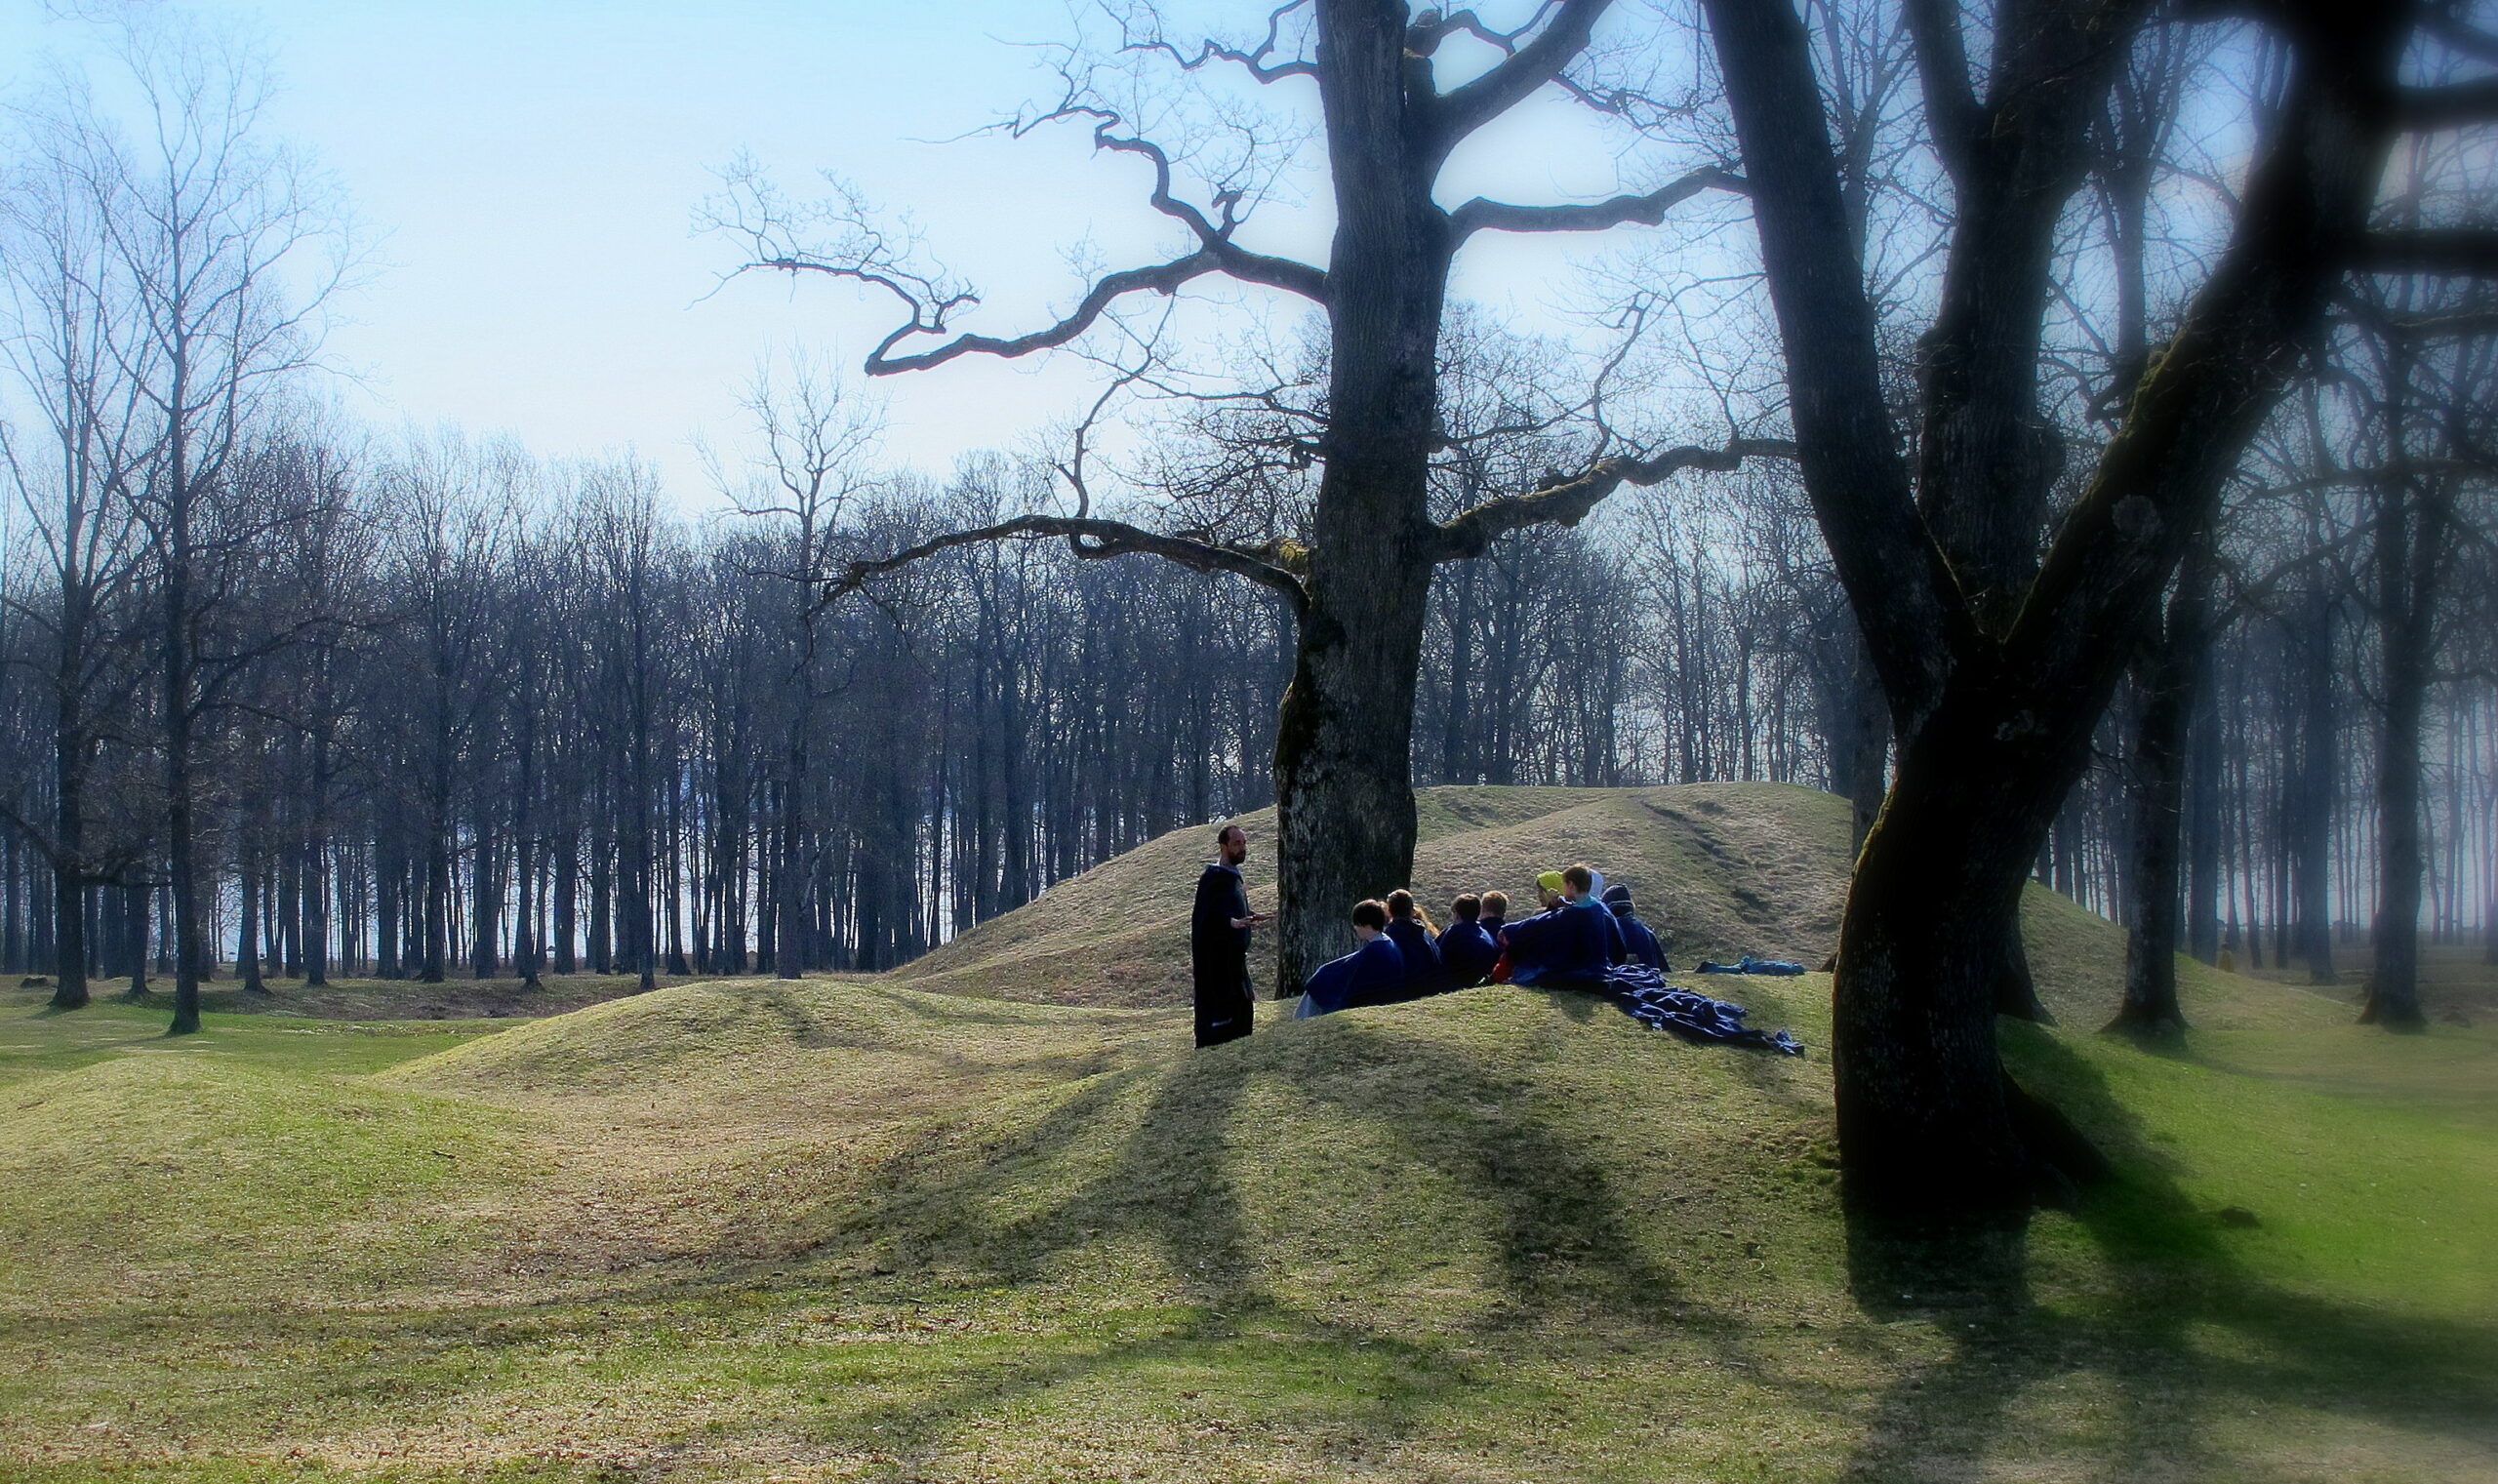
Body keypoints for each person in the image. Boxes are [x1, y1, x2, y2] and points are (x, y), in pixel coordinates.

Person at [1189, 823, 1268, 1047]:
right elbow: (1206, 916)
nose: (1243, 848)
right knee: (1221, 1017)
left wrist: (1250, 915)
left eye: (1244, 843)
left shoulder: (1234, 876)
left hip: (1235, 963)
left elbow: (1230, 908)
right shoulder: (1213, 878)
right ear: (1223, 846)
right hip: (1217, 966)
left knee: (1242, 1011)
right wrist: (1229, 922)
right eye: (1237, 844)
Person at [1500, 864, 1614, 990]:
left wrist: (1509, 929)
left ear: (1570, 884)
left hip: (1578, 970)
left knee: (1529, 967)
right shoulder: (1597, 907)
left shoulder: (1572, 914)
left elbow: (1539, 923)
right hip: (1597, 966)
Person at [1297, 900, 1404, 1018]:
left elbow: (1349, 970)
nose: (1355, 927)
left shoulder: (1375, 950)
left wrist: (1323, 973)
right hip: (1383, 993)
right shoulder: (1386, 943)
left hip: (1371, 996)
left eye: (1357, 924)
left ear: (1366, 924)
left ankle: (1302, 1019)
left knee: (1321, 981)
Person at [1382, 889, 1445, 998]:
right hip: (1432, 987)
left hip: (1408, 991)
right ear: (1412, 910)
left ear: (1390, 912)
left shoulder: (1390, 936)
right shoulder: (1423, 933)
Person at [1435, 894, 1499, 988]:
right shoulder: (1486, 934)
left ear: (1456, 914)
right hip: (1478, 981)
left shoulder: (1455, 932)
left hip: (1454, 983)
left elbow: (1435, 955)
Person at [1601, 883, 1667, 972]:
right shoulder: (1647, 933)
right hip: (1648, 982)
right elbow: (1661, 969)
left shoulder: (1604, 932)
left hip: (1617, 982)